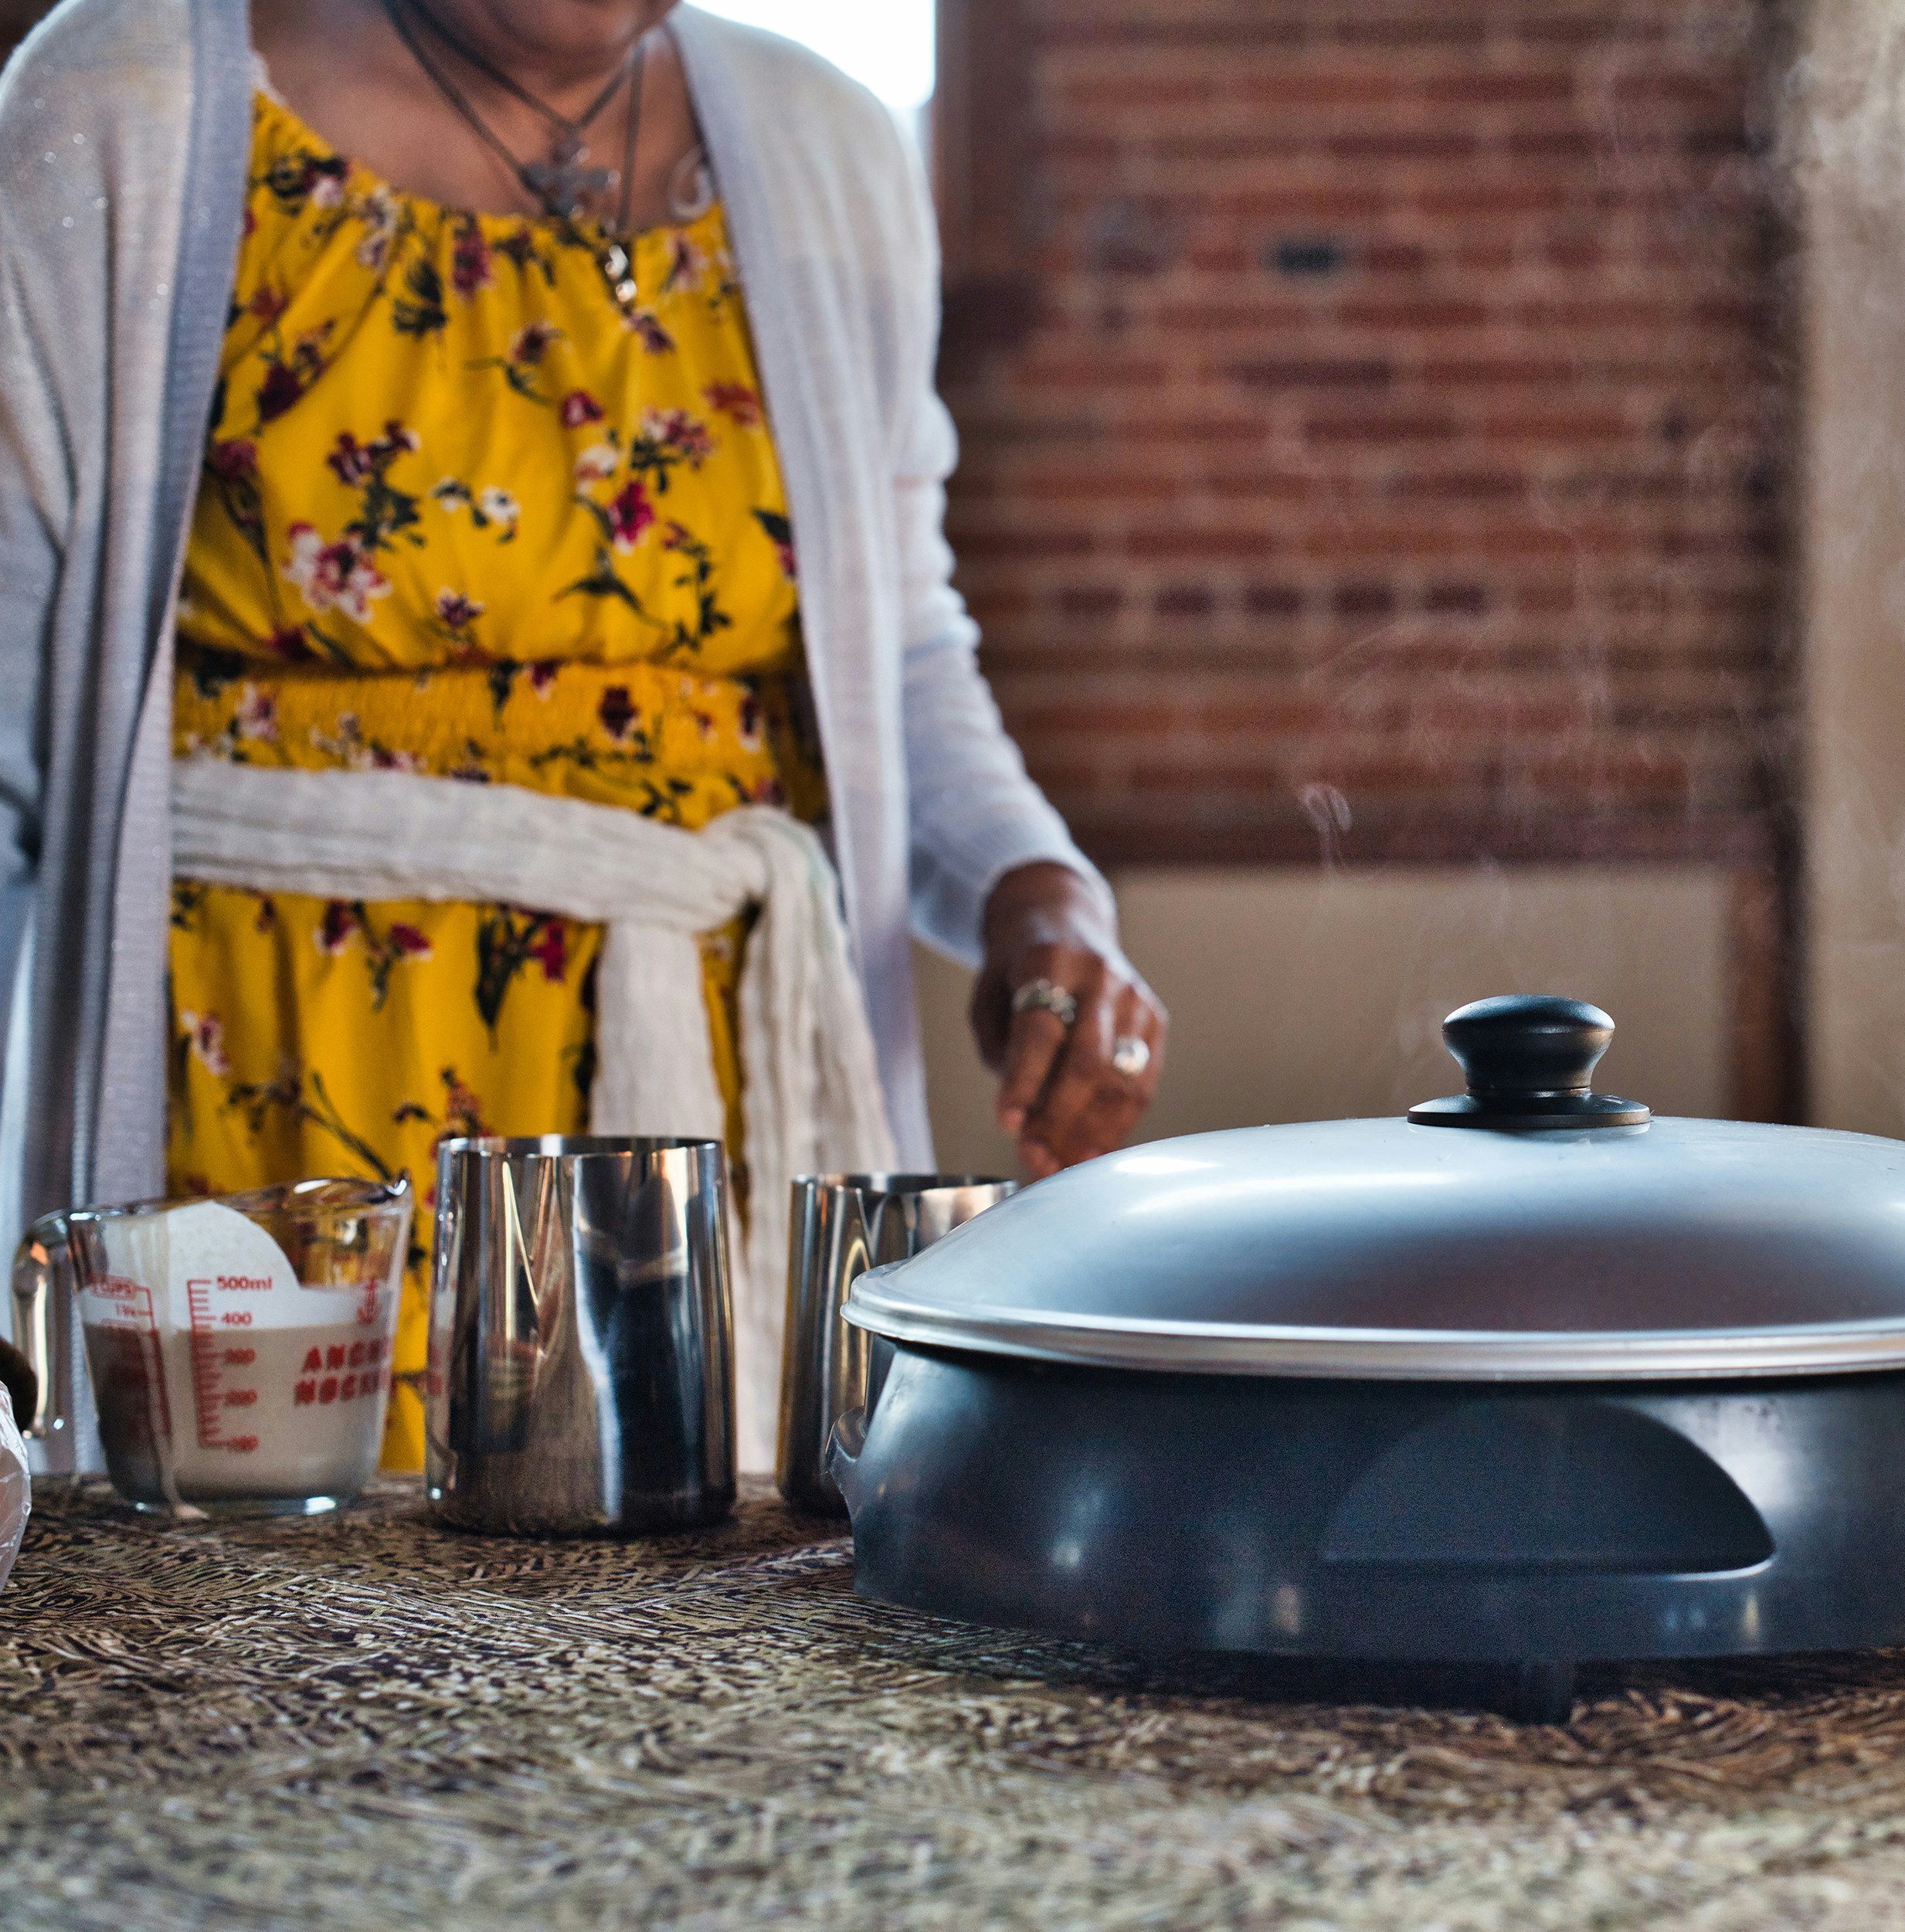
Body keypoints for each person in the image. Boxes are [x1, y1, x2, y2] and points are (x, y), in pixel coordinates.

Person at [0, 0, 1168, 1469]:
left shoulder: (823, 148)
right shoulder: (126, 102)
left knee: (696, 1665)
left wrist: (1036, 889)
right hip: (283, 1114)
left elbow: (897, 648)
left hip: (705, 1129)